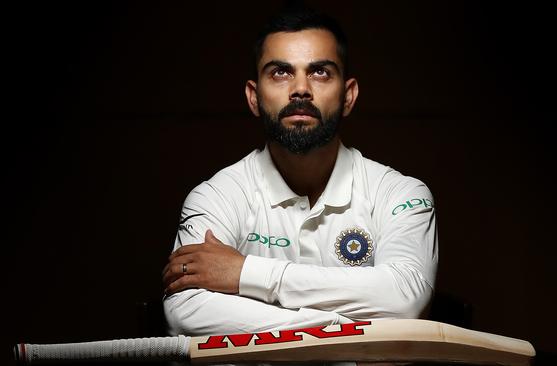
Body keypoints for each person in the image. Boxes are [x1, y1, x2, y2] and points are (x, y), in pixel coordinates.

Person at [161, 7, 438, 337]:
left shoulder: (401, 193)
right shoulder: (215, 196)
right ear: (253, 97)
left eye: (320, 72)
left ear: (348, 96)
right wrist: (343, 331)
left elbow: (405, 299)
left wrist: (245, 273)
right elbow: (186, 311)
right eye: (280, 72)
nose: (301, 89)